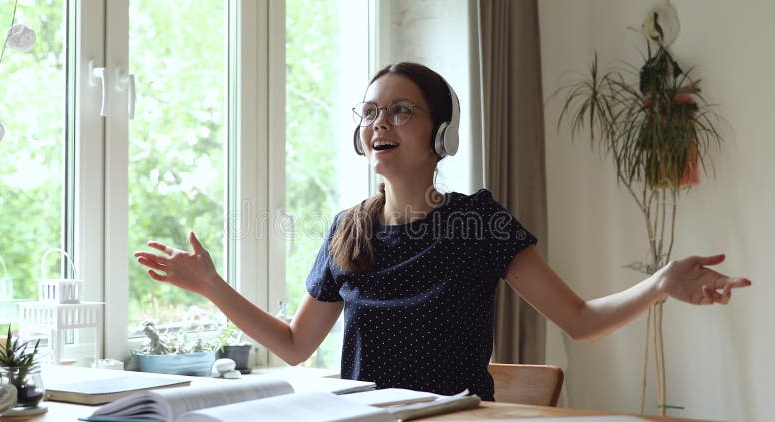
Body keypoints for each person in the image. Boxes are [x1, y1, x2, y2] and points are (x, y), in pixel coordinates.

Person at [134, 62, 751, 401]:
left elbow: (581, 319)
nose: (382, 122)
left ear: (441, 137)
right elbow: (296, 345)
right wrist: (213, 285)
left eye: (402, 110)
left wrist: (662, 284)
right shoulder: (347, 230)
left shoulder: (477, 221)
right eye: (371, 111)